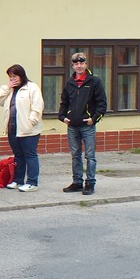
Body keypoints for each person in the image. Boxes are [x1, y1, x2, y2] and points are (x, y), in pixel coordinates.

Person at [58, 52, 108, 196]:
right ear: (73, 66)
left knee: (90, 156)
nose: (79, 66)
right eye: (76, 63)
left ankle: (90, 183)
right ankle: (77, 182)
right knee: (75, 155)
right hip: (72, 125)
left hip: (88, 126)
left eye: (82, 63)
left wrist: (94, 118)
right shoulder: (69, 83)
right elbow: (64, 103)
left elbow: (102, 104)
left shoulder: (94, 82)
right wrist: (62, 117)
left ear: (86, 64)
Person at [0, 64, 44, 193]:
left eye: (15, 76)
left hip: (28, 129)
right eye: (10, 77)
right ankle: (18, 180)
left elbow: (37, 107)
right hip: (12, 128)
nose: (13, 79)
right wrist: (7, 87)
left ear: (21, 76)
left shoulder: (31, 88)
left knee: (30, 155)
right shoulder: (9, 90)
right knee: (18, 156)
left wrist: (30, 122)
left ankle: (32, 182)